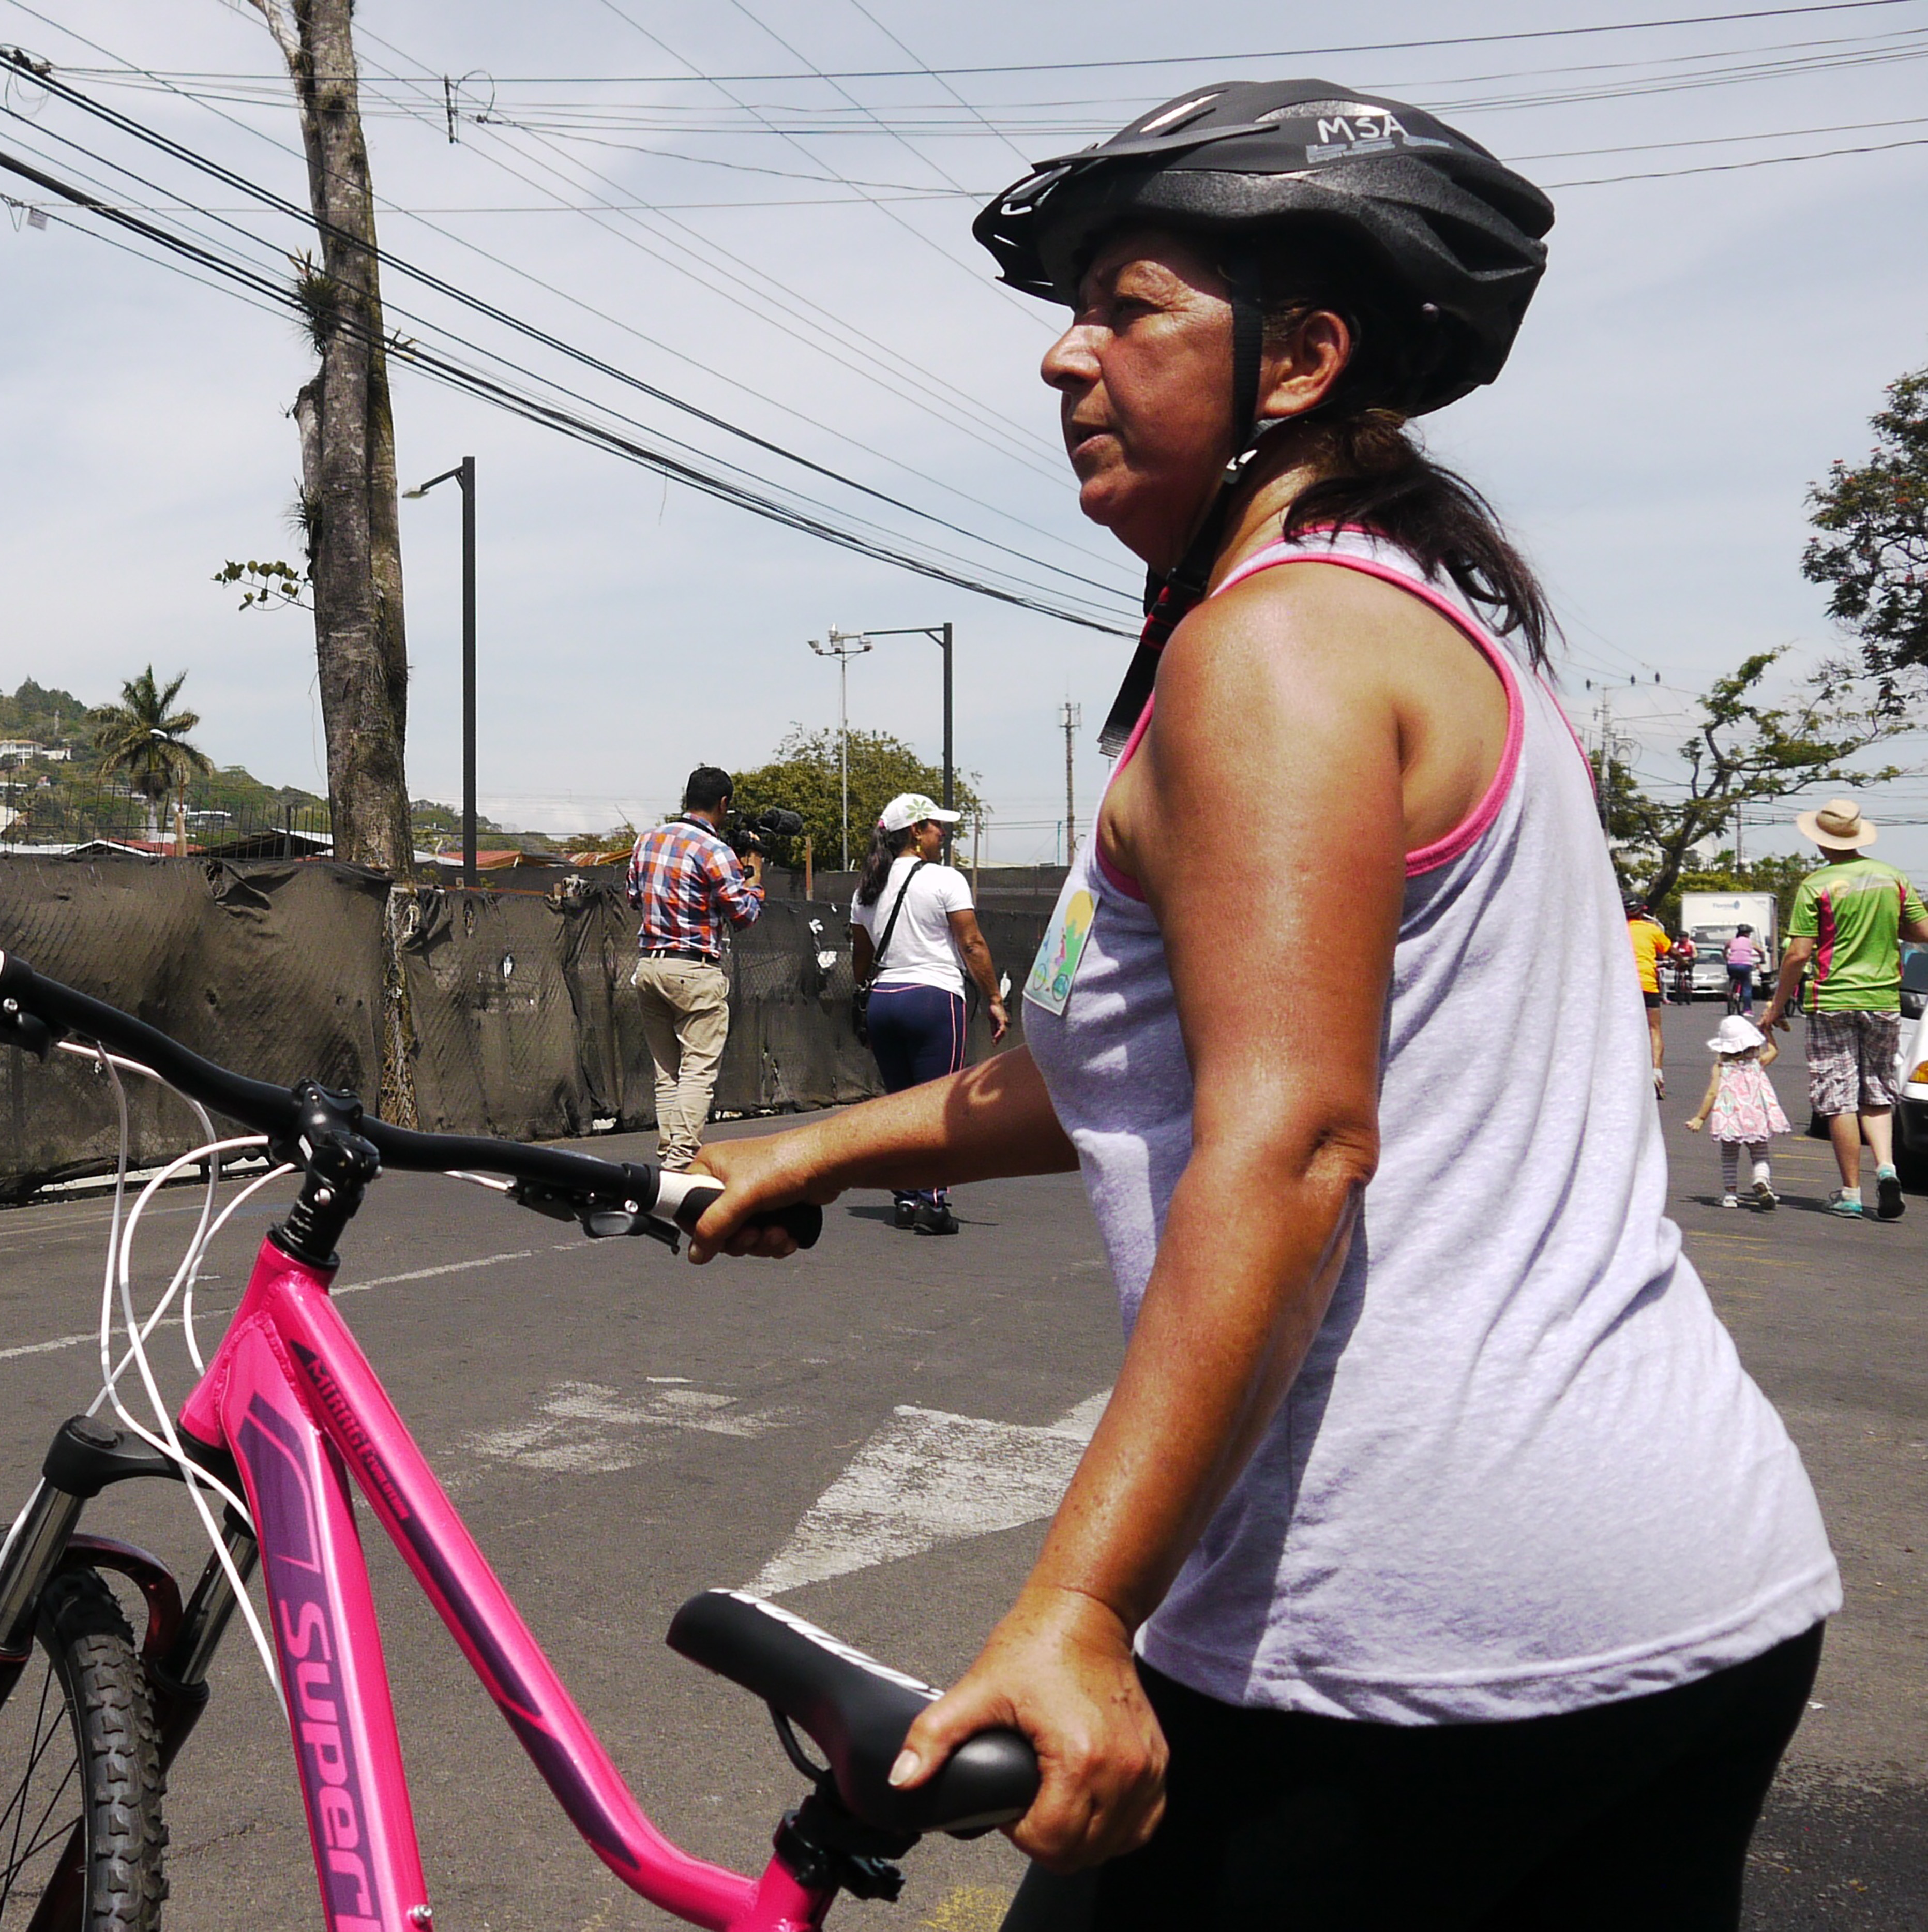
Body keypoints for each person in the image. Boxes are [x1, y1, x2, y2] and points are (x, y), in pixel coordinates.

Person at [683, 80, 1834, 1927]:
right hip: (1699, 1596)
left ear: (1295, 354)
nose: (1065, 355)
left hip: (1407, 1632)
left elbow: (1290, 1134)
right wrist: (816, 1146)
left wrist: (1075, 1610)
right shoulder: (1422, 620)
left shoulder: (1273, 647)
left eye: (1126, 306)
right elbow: (1130, 1070)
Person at [1758, 797, 1928, 1222]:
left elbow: (1798, 954)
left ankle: (1851, 1191)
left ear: (1820, 841)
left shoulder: (1818, 885)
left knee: (1838, 1099)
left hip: (1832, 1000)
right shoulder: (1893, 878)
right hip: (1883, 999)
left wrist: (1776, 1006)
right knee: (1877, 1091)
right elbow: (1923, 932)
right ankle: (1887, 1168)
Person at [851, 792, 1010, 1235]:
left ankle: (904, 1197)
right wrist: (994, 998)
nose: (944, 832)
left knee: (900, 1103)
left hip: (885, 999)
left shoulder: (866, 887)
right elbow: (972, 944)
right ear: (917, 832)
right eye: (937, 825)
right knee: (940, 1102)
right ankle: (932, 1202)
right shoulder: (945, 880)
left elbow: (860, 957)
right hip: (934, 998)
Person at [628, 766, 765, 1172]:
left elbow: (636, 897)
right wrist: (755, 875)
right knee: (697, 1070)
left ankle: (669, 1150)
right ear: (723, 804)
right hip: (695, 968)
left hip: (650, 967)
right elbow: (743, 915)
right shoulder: (715, 851)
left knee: (666, 1071)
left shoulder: (646, 841)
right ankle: (681, 1159)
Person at [1687, 1014, 1787, 1211]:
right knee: (1760, 1155)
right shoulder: (1757, 1063)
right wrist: (1767, 1032)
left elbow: (1713, 1092)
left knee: (1730, 1156)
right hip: (1756, 1116)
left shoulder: (1721, 1067)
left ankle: (1730, 1195)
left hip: (1730, 1118)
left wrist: (1700, 1118)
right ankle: (1761, 1181)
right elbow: (1774, 1051)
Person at [1625, 897, 1671, 1095]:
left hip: (1623, 987)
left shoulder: (1614, 929)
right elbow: (1672, 952)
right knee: (1654, 1028)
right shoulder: (1651, 929)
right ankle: (1656, 1073)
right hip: (1647, 984)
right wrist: (1683, 962)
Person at [1723, 923, 1764, 1017]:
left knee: (1733, 977)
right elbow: (1761, 951)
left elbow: (1725, 950)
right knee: (1746, 987)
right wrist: (1762, 960)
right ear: (1748, 934)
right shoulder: (1750, 942)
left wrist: (1726, 957)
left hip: (1732, 964)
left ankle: (1732, 992)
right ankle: (1747, 1010)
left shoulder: (1732, 941)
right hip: (1745, 965)